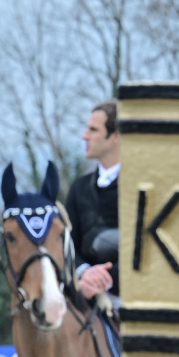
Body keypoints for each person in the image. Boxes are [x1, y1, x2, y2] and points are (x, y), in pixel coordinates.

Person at [67, 101, 120, 303]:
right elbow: (68, 244)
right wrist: (85, 272)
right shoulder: (78, 189)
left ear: (115, 136)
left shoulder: (139, 188)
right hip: (84, 294)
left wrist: (106, 279)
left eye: (93, 130)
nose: (84, 136)